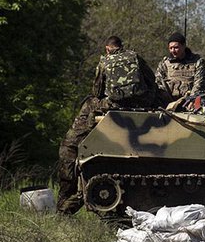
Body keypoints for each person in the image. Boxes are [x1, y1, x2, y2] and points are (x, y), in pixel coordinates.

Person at [56, 36, 160, 214]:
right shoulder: (135, 57)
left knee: (76, 133)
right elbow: (152, 80)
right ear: (122, 46)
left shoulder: (105, 61)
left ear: (107, 48)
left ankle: (65, 203)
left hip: (115, 106)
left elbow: (96, 91)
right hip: (142, 105)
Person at [155, 32, 205, 104]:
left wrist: (191, 100)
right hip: (168, 103)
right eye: (171, 48)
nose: (173, 51)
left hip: (190, 101)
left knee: (200, 102)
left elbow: (199, 85)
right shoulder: (165, 64)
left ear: (184, 46)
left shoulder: (197, 62)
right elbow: (158, 83)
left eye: (176, 47)